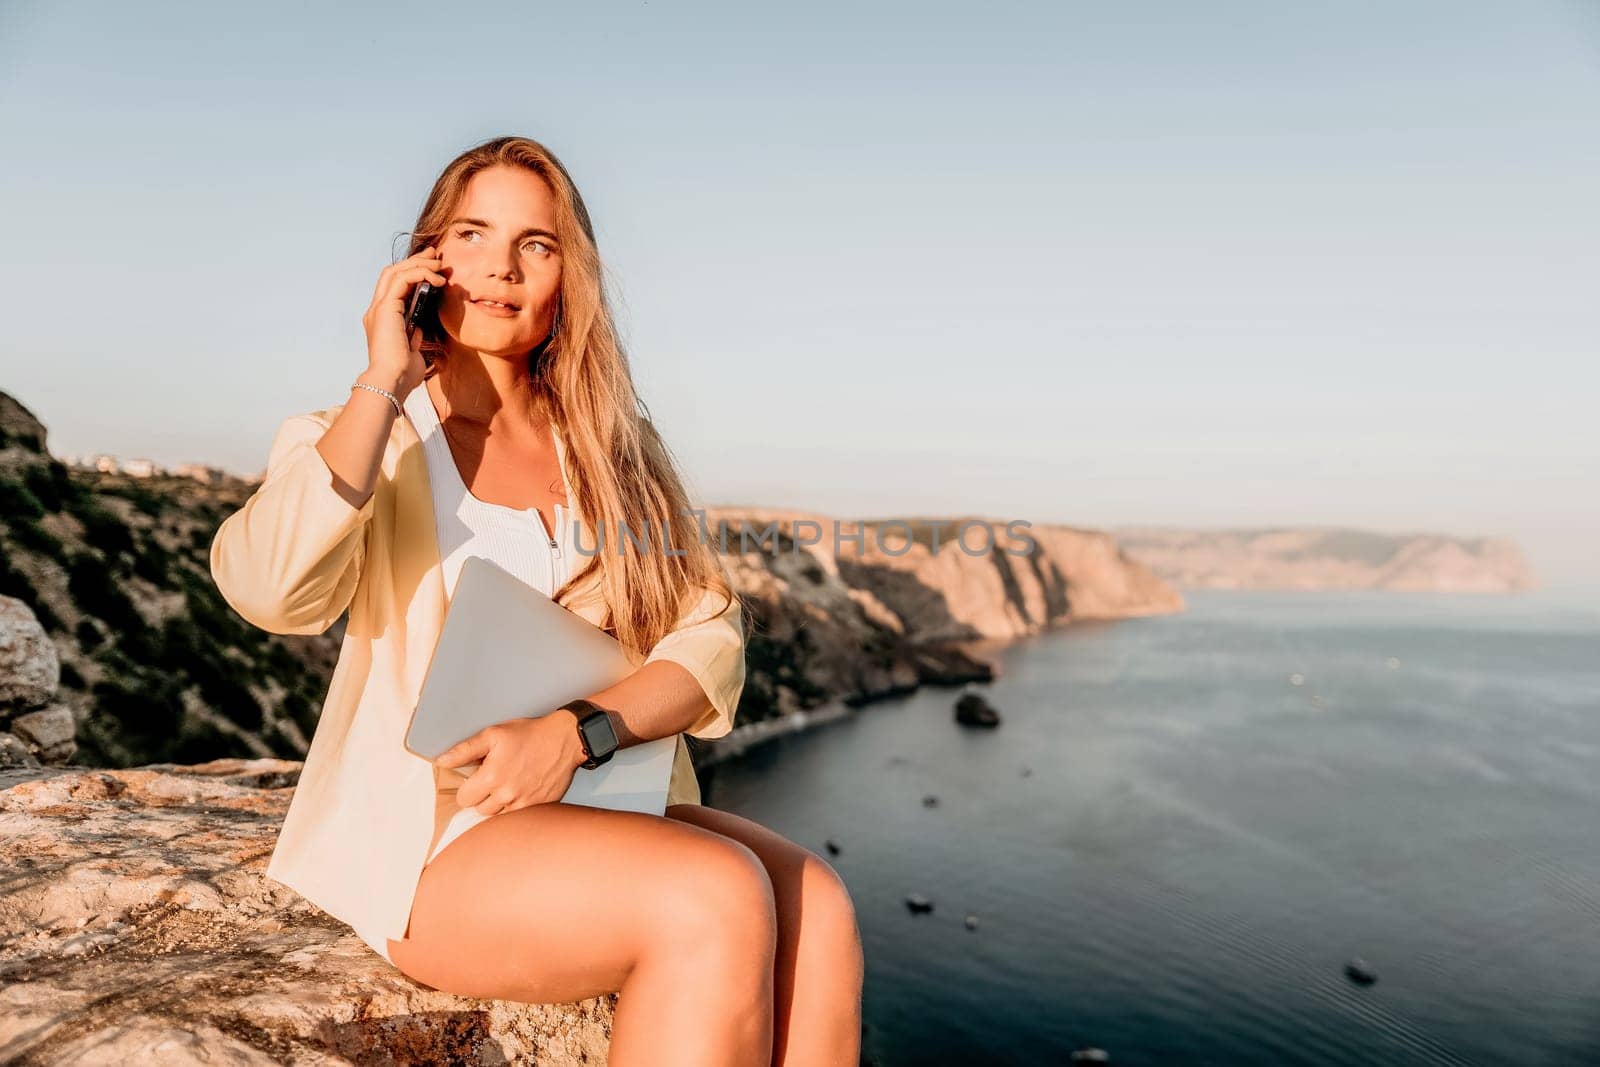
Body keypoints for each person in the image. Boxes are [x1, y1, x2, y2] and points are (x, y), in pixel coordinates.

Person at [209, 136, 863, 1067]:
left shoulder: (612, 448)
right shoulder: (362, 435)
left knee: (821, 904)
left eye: (537, 244)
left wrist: (577, 730)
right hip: (436, 837)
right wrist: (385, 383)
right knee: (711, 892)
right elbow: (267, 590)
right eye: (473, 233)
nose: (500, 268)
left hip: (598, 794)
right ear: (428, 253)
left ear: (568, 276)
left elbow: (709, 637)